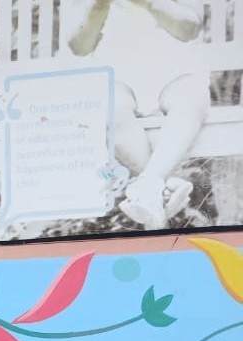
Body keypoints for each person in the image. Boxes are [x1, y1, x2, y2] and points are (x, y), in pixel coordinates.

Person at [66, 0, 209, 229]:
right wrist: (99, 6)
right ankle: (157, 184)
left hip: (174, 62)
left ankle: (151, 186)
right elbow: (79, 46)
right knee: (106, 108)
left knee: (192, 98)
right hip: (117, 66)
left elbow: (189, 27)